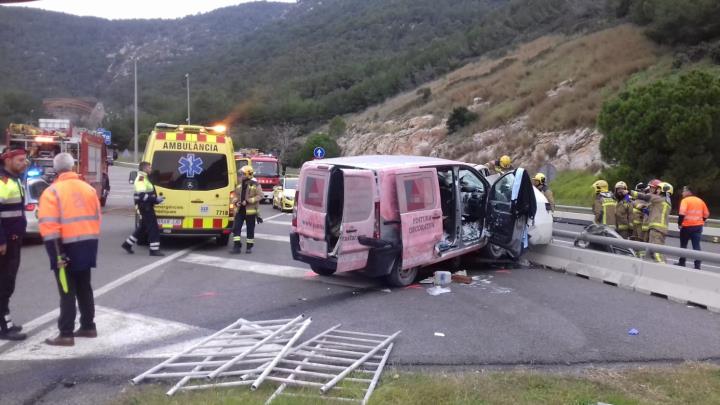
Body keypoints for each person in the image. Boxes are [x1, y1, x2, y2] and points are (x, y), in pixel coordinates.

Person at [38, 153, 101, 346]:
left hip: (64, 247)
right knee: (84, 287)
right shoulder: (89, 189)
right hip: (88, 244)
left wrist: (57, 254)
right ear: (73, 167)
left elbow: (50, 228)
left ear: (56, 169)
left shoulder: (52, 192)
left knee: (67, 291)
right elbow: (97, 217)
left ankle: (66, 333)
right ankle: (88, 326)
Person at [0, 147, 29, 341]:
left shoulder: (15, 180)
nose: (24, 163)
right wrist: (1, 240)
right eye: (20, 160)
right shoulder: (3, 182)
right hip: (6, 243)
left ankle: (6, 322)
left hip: (14, 240)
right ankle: (4, 326)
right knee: (4, 284)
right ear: (7, 161)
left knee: (7, 283)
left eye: (25, 160)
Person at [122, 161, 164, 256]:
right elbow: (142, 195)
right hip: (146, 208)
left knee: (143, 227)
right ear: (145, 168)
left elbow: (146, 194)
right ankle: (154, 250)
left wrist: (156, 200)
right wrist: (155, 199)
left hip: (146, 206)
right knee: (153, 228)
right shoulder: (141, 178)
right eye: (149, 168)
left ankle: (127, 244)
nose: (151, 169)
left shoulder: (144, 178)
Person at [628, 181, 672, 263]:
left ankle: (663, 268)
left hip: (656, 229)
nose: (656, 191)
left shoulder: (659, 199)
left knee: (656, 252)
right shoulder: (665, 201)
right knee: (654, 251)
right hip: (659, 229)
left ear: (663, 190)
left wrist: (629, 192)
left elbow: (644, 196)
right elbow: (645, 206)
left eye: (658, 189)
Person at [231, 165, 262, 254]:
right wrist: (236, 202)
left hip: (250, 212)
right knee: (236, 228)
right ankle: (237, 246)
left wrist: (248, 201)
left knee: (250, 230)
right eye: (241, 174)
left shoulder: (256, 185)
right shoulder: (239, 185)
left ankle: (249, 247)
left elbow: (260, 196)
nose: (241, 175)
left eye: (243, 174)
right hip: (240, 210)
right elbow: (235, 196)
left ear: (248, 174)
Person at [676, 186, 710, 269]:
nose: (682, 193)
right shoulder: (700, 201)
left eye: (684, 191)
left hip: (686, 226)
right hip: (698, 227)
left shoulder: (685, 201)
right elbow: (706, 214)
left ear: (689, 192)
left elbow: (682, 214)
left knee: (683, 245)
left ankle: (682, 262)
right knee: (696, 246)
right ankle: (697, 265)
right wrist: (701, 221)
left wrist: (679, 224)